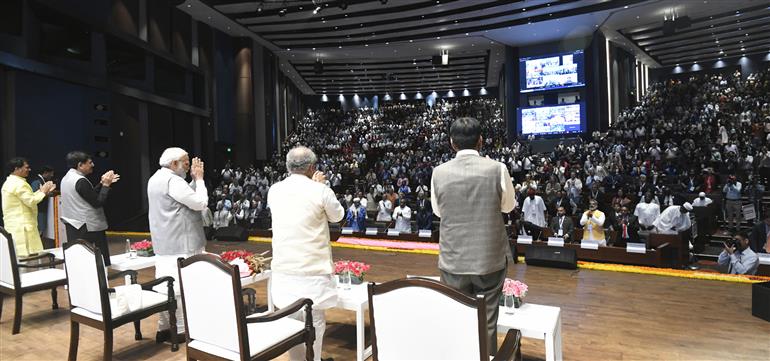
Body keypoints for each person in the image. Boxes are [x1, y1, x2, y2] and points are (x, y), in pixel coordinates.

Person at [430, 117, 516, 356]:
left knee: (456, 317)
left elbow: (438, 211)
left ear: (451, 143)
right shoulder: (497, 168)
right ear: (481, 141)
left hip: (453, 259)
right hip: (489, 258)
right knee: (487, 321)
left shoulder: (438, 172)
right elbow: (508, 206)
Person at [269, 146, 344, 361]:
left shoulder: (274, 189)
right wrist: (320, 186)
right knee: (315, 319)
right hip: (312, 269)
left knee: (291, 319)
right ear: (312, 167)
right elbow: (337, 216)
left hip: (284, 267)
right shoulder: (320, 190)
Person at [148, 147, 208, 342]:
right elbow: (200, 203)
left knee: (165, 287)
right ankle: (181, 330)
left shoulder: (156, 178)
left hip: (165, 243)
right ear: (174, 164)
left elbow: (181, 198)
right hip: (182, 244)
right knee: (180, 289)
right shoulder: (173, 181)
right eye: (186, 162)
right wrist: (199, 180)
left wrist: (191, 181)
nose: (189, 166)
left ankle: (164, 328)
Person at [60, 151, 119, 266]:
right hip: (88, 227)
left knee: (80, 259)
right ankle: (101, 281)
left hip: (75, 225)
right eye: (90, 162)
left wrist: (101, 183)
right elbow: (98, 202)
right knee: (97, 260)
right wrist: (106, 186)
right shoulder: (80, 180)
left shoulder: (67, 178)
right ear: (80, 165)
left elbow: (89, 195)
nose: (93, 165)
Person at [1, 158, 56, 257]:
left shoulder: (9, 182)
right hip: (23, 228)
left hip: (15, 226)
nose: (29, 169)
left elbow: (27, 198)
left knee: (17, 259)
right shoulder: (19, 184)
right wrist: (43, 191)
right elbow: (31, 201)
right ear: (17, 168)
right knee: (28, 261)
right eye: (26, 167)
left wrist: (41, 191)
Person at [29, 165, 54, 236]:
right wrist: (47, 194)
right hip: (39, 210)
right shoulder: (36, 182)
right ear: (46, 173)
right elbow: (35, 196)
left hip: (42, 209)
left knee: (42, 230)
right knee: (40, 230)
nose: (52, 175)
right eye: (51, 173)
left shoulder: (41, 181)